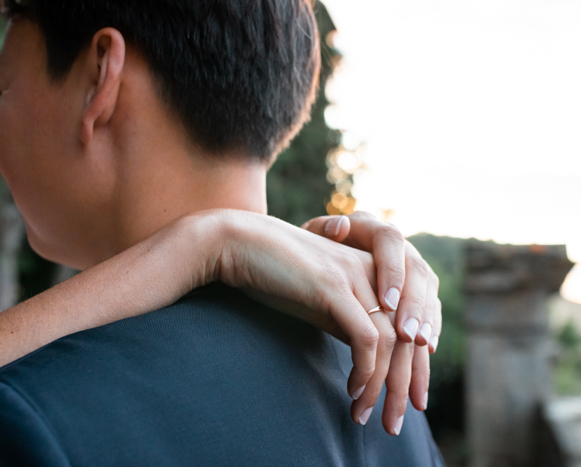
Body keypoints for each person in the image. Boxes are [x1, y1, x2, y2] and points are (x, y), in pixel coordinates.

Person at [0, 0, 445, 465]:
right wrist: (203, 243)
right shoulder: (394, 386)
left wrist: (207, 244)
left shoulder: (31, 413)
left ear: (99, 78)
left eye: (3, 88)